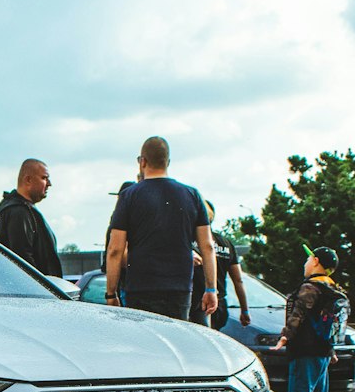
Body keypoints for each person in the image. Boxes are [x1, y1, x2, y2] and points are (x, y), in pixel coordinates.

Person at [104, 136, 217, 320]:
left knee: (143, 344)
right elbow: (208, 246)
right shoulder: (192, 194)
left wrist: (111, 294)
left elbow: (115, 250)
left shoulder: (128, 196)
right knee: (174, 343)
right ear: (168, 162)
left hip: (140, 288)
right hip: (179, 288)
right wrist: (211, 288)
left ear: (142, 161)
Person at [272, 247, 349, 392]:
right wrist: (331, 350)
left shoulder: (309, 287)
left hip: (304, 349)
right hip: (323, 350)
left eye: (307, 259)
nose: (305, 264)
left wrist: (285, 337)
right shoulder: (332, 289)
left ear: (315, 261)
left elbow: (298, 314)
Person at [188, 202, 251, 330]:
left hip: (198, 304)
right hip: (219, 304)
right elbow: (238, 280)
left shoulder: (189, 240)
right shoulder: (226, 243)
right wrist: (244, 310)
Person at [0, 159, 62, 276]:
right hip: (36, 291)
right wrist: (42, 287)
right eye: (44, 178)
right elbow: (23, 259)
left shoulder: (22, 210)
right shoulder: (18, 212)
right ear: (28, 180)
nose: (49, 184)